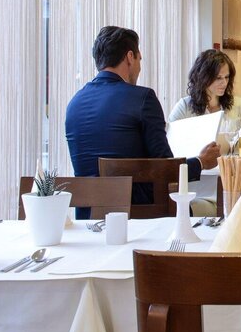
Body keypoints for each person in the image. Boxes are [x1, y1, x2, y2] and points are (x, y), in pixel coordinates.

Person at [65, 26, 220, 216]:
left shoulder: (74, 104)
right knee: (216, 208)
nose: (139, 67)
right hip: (143, 214)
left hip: (88, 218)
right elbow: (166, 170)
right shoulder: (143, 98)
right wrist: (201, 161)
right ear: (130, 57)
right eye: (140, 59)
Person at [168, 49, 241, 152]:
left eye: (227, 77)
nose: (224, 83)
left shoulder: (240, 105)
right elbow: (169, 142)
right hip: (198, 166)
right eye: (218, 78)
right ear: (203, 77)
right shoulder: (184, 107)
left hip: (232, 165)